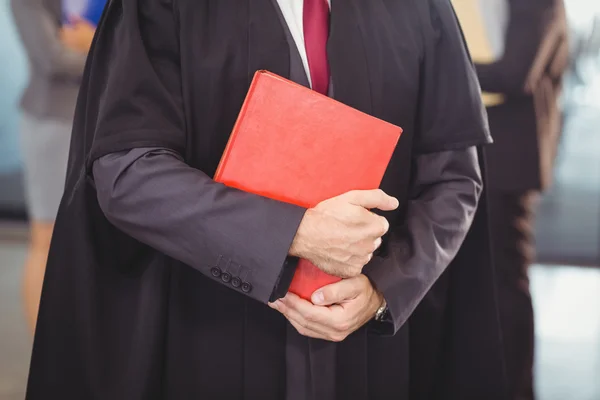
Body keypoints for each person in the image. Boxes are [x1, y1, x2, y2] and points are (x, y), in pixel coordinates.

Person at [26, 1, 507, 399]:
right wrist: (294, 232)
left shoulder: (419, 7)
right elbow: (125, 168)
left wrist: (384, 290)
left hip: (364, 352)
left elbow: (454, 175)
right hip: (211, 331)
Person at [454, 0, 568, 398]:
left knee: (506, 283)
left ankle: (517, 390)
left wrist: (437, 65)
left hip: (508, 164)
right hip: (475, 156)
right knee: (479, 285)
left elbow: (514, 72)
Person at [10, 0, 96, 332]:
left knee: (84, 240)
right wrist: (103, 48)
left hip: (93, 120)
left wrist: (91, 41)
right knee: (46, 238)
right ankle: (41, 349)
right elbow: (53, 58)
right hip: (52, 124)